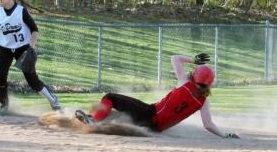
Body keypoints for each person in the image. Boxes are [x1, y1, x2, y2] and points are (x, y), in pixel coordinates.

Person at [75, 53, 239, 139]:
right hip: (155, 128)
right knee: (118, 116)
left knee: (110, 98)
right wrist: (225, 135)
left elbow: (174, 58)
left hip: (149, 113)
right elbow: (208, 124)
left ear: (195, 76)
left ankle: (94, 121)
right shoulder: (203, 102)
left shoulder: (184, 82)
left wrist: (194, 60)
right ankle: (101, 121)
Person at [0, 0, 61, 112]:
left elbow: (34, 30)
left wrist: (30, 48)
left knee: (32, 80)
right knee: (0, 76)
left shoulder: (21, 11)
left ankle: (53, 100)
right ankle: (4, 105)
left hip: (23, 48)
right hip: (4, 48)